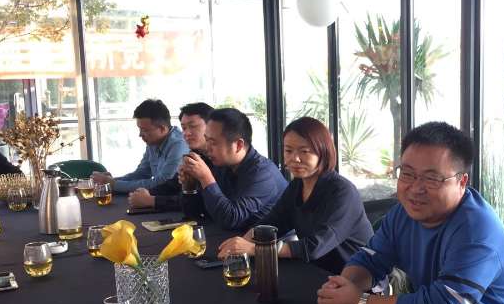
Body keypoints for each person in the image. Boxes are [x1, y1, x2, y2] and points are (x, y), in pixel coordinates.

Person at [315, 121, 504, 304]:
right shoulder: (403, 214)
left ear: (462, 182)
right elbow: (370, 260)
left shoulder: (478, 232)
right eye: (407, 174)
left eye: (432, 178)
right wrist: (343, 287)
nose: (415, 188)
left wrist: (359, 302)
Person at [218, 117, 373, 274]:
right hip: (317, 270)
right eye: (288, 151)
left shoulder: (342, 192)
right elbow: (272, 223)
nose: (295, 159)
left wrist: (255, 249)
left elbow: (314, 246)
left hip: (358, 277)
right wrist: (241, 243)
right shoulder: (297, 185)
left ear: (323, 152)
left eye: (304, 151)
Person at [179, 108, 287, 231]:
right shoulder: (223, 165)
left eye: (213, 142)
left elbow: (231, 219)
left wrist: (206, 178)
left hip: (267, 241)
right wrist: (189, 188)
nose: (207, 148)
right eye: (206, 140)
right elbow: (200, 213)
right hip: (234, 237)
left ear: (239, 145)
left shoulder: (263, 174)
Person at [128, 102, 213, 212]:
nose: (186, 133)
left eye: (192, 126)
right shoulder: (195, 154)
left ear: (212, 126)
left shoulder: (219, 159)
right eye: (184, 128)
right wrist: (147, 193)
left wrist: (152, 200)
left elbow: (202, 202)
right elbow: (173, 184)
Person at [91, 99, 188, 194]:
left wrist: (113, 184)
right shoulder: (153, 142)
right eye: (140, 129)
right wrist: (110, 180)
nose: (140, 134)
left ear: (162, 128)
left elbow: (162, 184)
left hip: (174, 200)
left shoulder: (178, 145)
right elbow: (141, 173)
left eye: (145, 130)